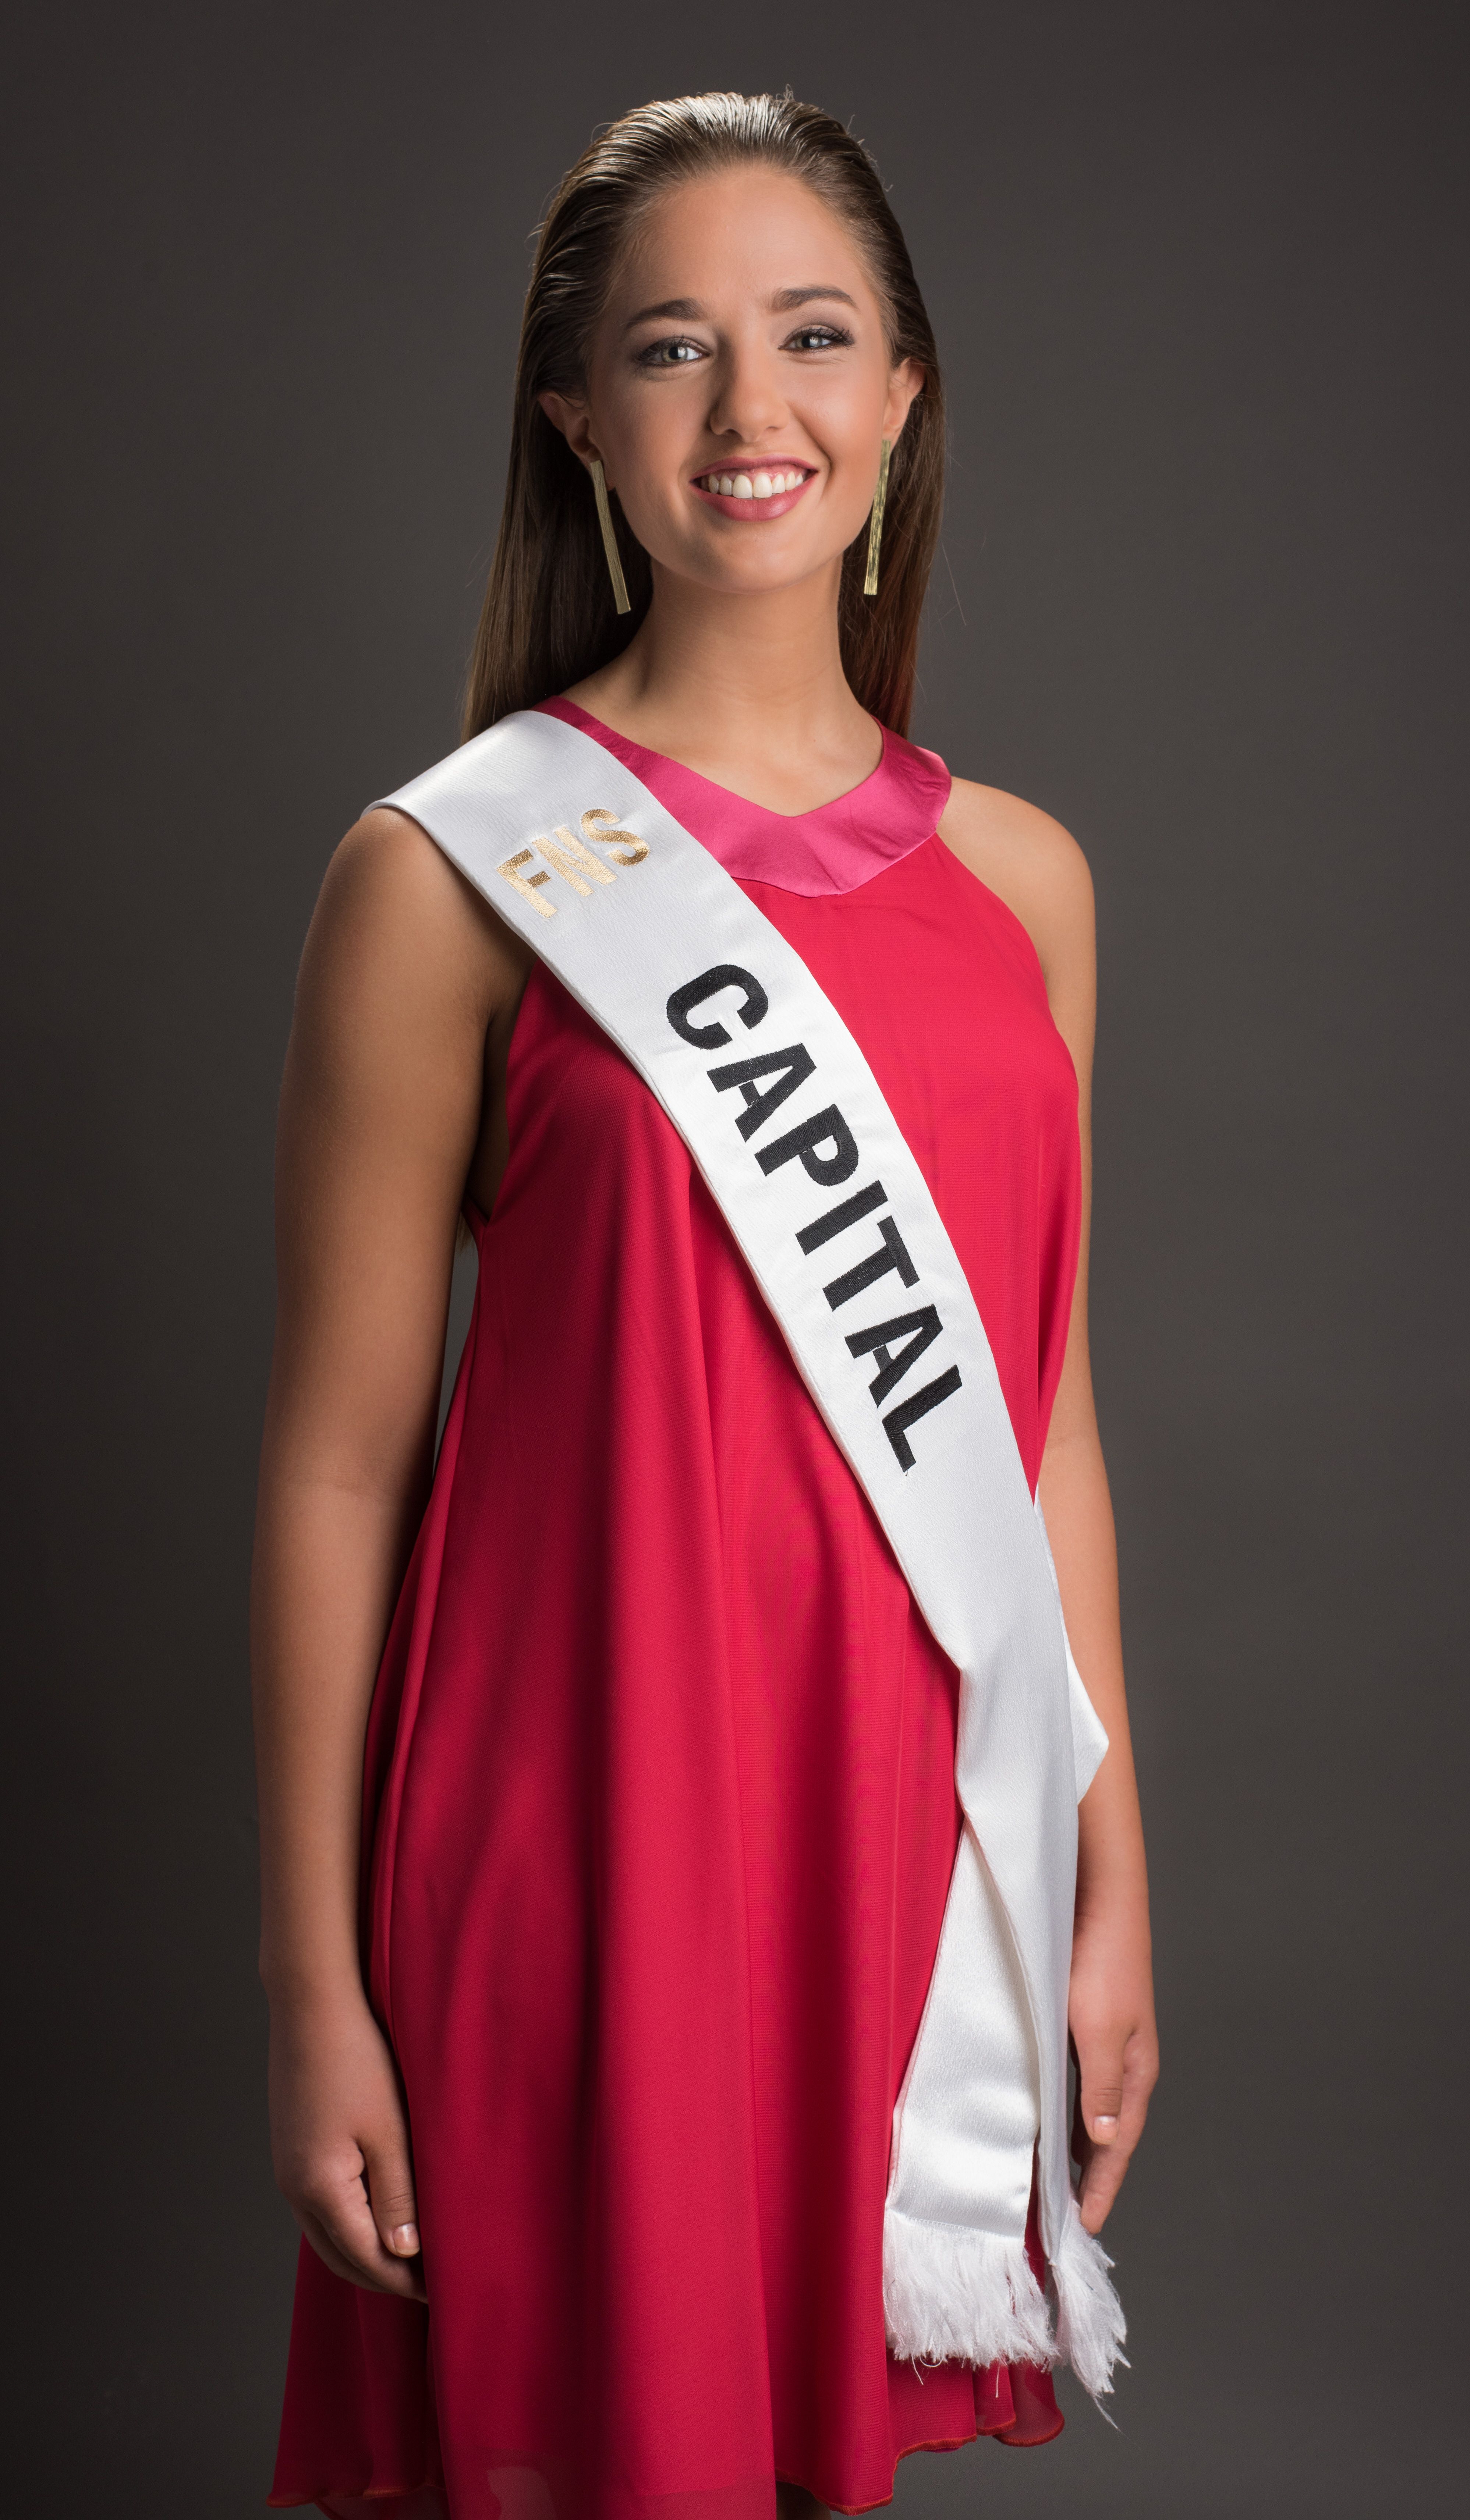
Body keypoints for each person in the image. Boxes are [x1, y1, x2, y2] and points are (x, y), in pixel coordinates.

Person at [254, 90, 1158, 2520]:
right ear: (579, 417)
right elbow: (338, 1464)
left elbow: (1040, 1419)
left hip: (891, 1827)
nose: (754, 409)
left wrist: (1108, 1871)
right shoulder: (449, 875)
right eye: (674, 347)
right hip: (579, 1827)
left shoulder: (1029, 886)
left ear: (906, 394)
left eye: (815, 336)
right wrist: (313, 1989)